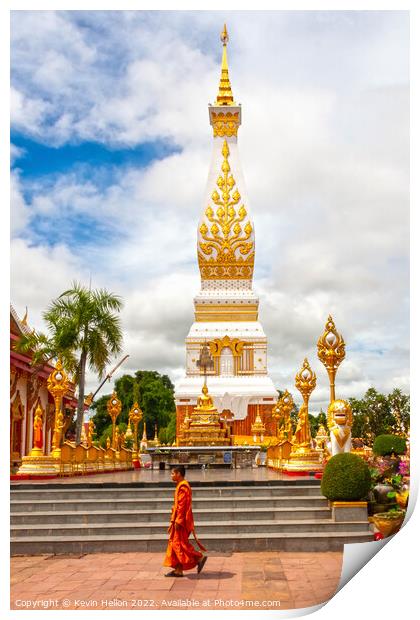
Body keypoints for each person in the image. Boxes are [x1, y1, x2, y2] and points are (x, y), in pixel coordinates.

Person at [163, 465, 207, 577]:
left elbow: (182, 506)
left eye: (173, 473)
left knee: (179, 544)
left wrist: (178, 521)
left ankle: (199, 557)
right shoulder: (180, 486)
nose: (171, 475)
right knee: (176, 544)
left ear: (179, 474)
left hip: (181, 521)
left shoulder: (183, 487)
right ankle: (178, 569)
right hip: (178, 519)